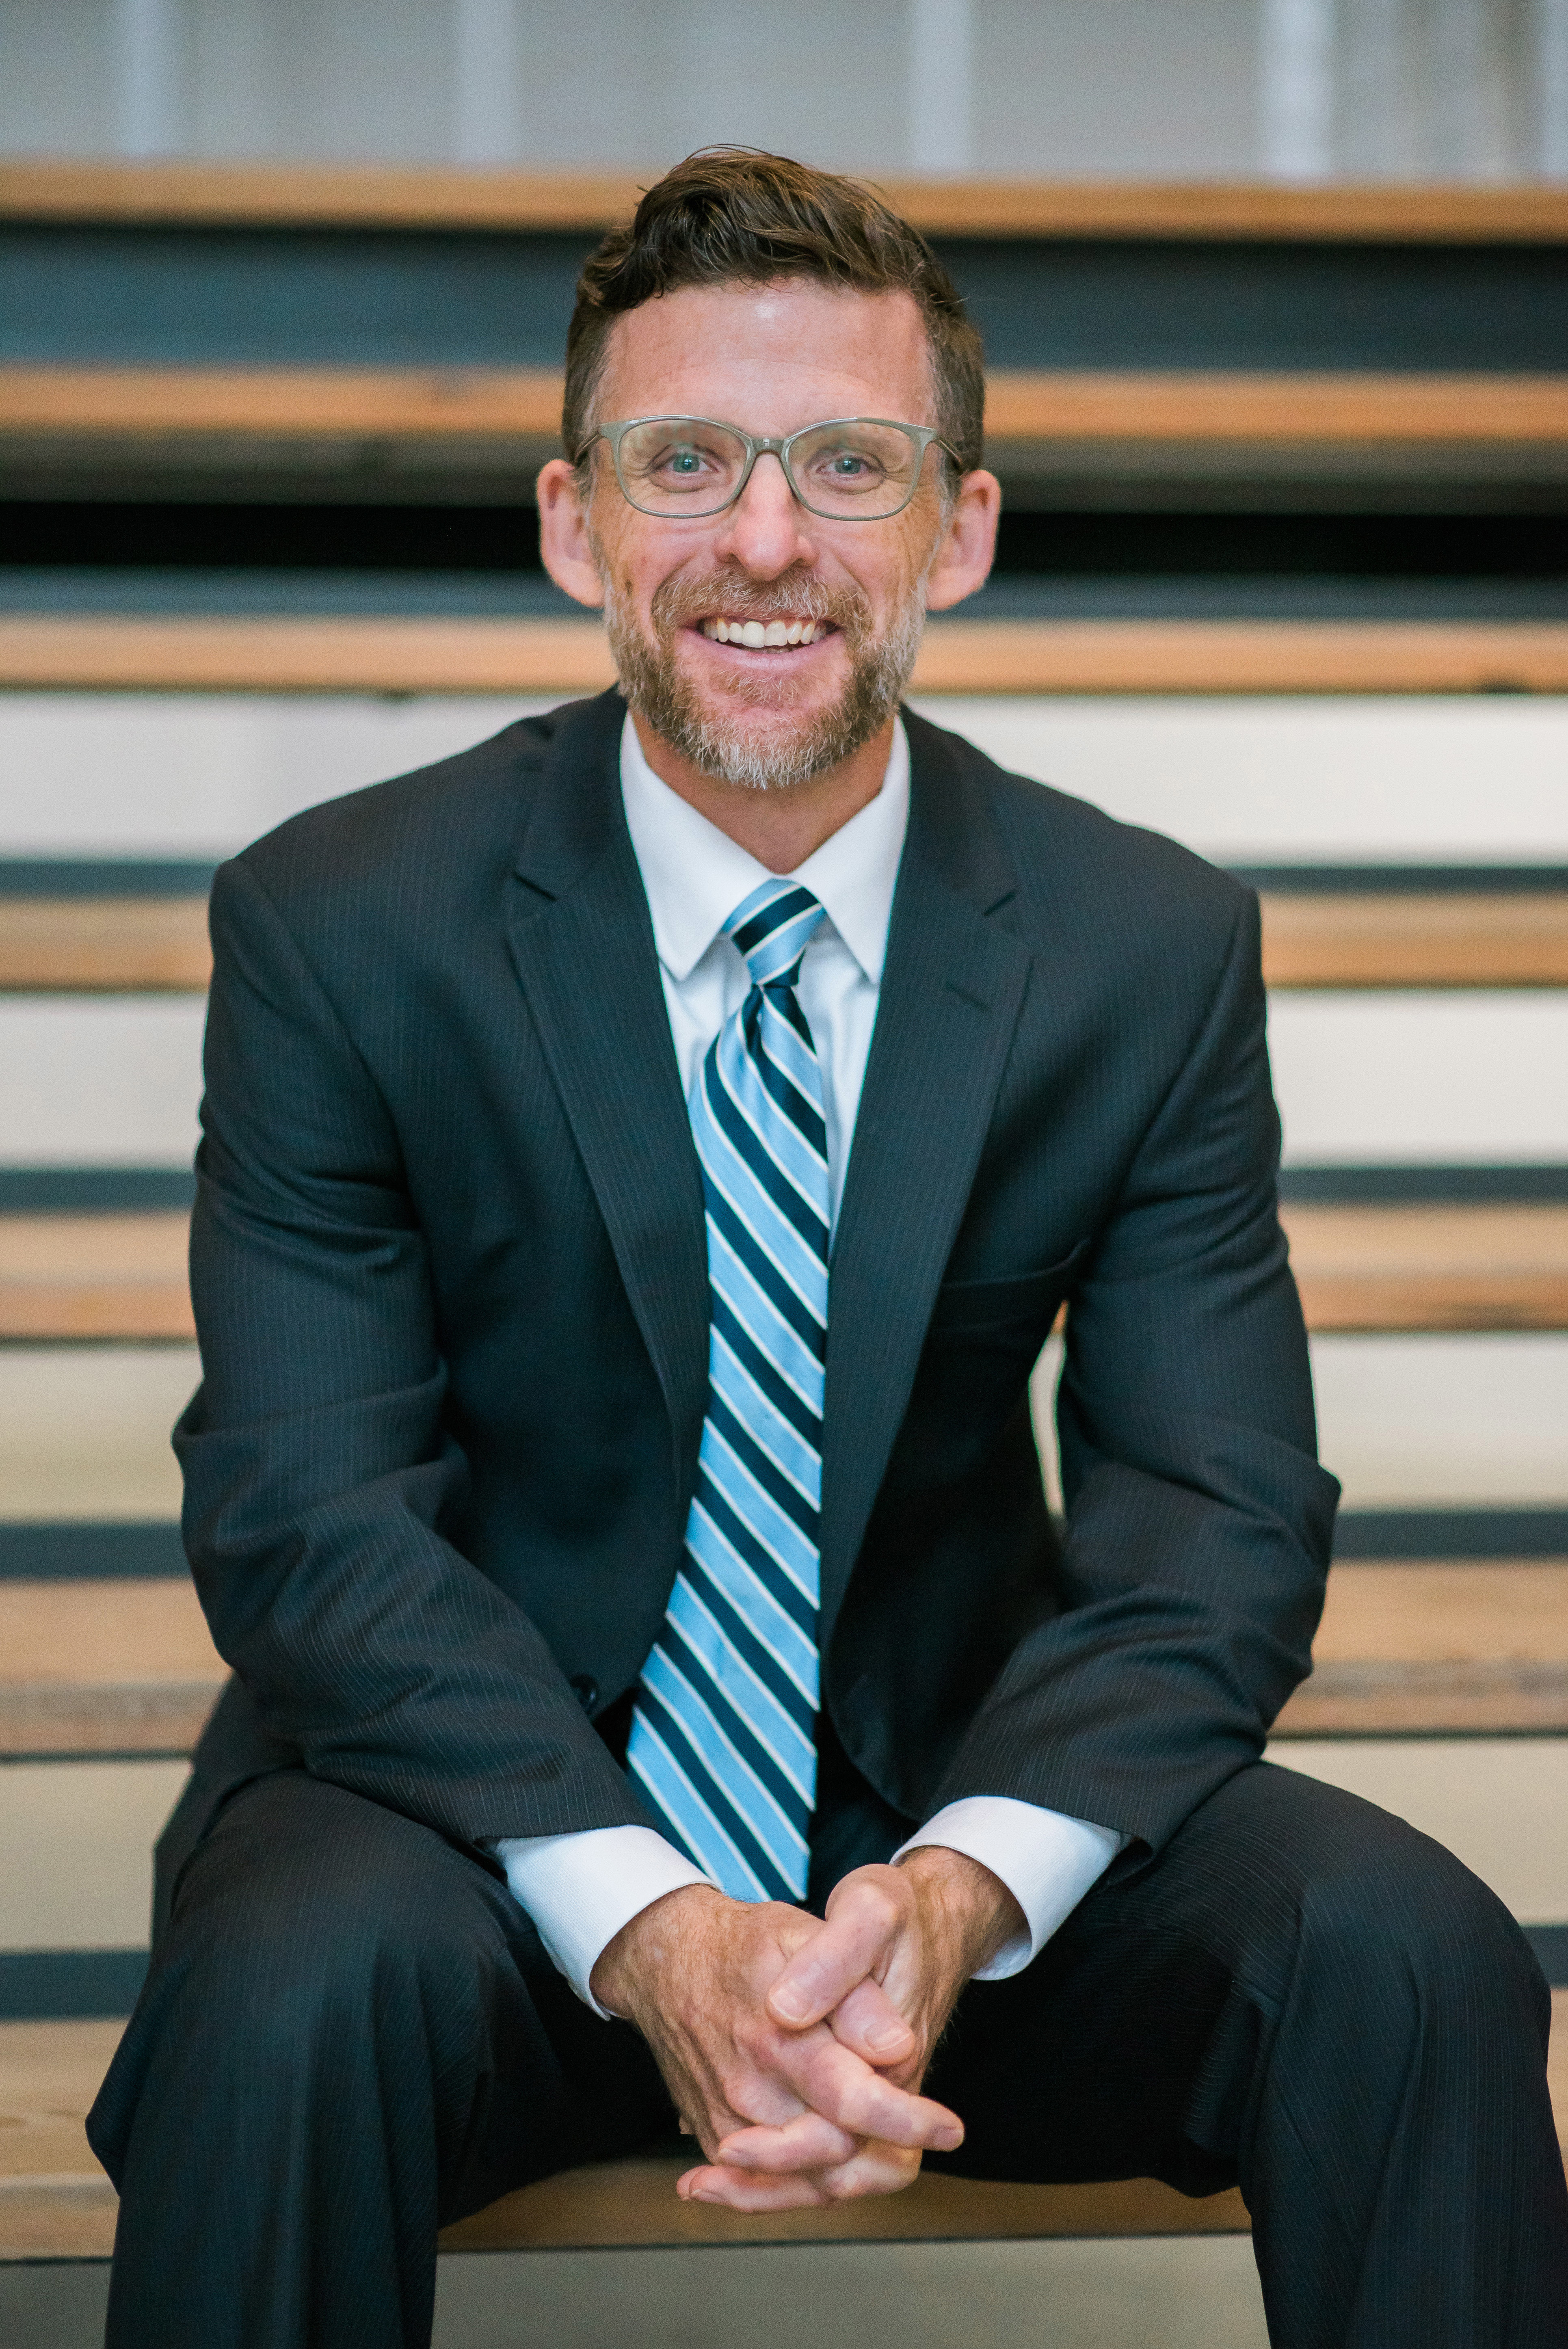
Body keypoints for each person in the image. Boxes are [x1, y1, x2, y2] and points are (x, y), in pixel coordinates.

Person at [89, 148, 1566, 2349]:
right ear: (574, 522)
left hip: (939, 1849)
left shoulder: (1136, 944)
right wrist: (657, 1914)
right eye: (683, 460)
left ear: (953, 529)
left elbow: (1212, 1519)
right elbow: (308, 1515)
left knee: (1409, 1945)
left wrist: (961, 1887)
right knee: (287, 1982)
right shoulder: (337, 923)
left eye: (846, 465)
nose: (763, 541)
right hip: (481, 1849)